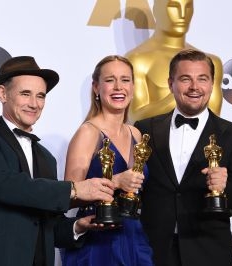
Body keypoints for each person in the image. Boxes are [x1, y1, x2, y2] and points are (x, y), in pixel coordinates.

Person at [0, 56, 116, 266]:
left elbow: (46, 224)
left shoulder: (46, 157)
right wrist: (74, 190)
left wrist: (77, 226)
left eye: (40, 96)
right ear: (3, 93)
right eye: (25, 94)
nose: (34, 104)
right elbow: (7, 186)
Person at [134, 49, 232, 266]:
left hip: (209, 254)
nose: (194, 87)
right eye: (185, 79)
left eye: (202, 79)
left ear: (212, 85)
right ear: (171, 84)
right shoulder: (144, 129)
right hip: (153, 253)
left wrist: (226, 186)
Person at [61, 55, 153, 266]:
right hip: (98, 238)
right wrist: (116, 181)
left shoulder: (136, 134)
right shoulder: (88, 132)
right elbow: (69, 195)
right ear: (96, 87)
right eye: (110, 80)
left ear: (133, 86)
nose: (118, 87)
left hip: (134, 236)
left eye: (125, 80)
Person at [125, 0, 223, 123]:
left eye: (188, 7)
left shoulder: (211, 62)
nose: (182, 14)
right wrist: (181, 96)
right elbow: (136, 119)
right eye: (173, 6)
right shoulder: (137, 60)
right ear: (156, 10)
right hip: (154, 140)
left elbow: (214, 121)